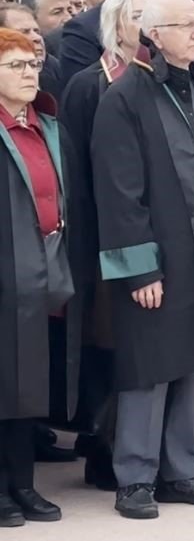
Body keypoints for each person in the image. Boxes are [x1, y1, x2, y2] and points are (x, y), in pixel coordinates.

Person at [93, 0, 194, 519]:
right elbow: (119, 191)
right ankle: (135, 478)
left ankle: (181, 470)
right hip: (159, 259)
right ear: (155, 36)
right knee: (151, 367)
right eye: (185, 25)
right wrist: (140, 267)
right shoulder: (126, 96)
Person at [58, 0, 155, 489]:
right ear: (116, 25)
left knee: (144, 347)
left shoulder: (164, 79)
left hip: (154, 235)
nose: (148, 25)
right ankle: (101, 448)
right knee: (106, 345)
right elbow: (74, 170)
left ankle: (140, 448)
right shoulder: (88, 84)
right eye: (139, 16)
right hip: (99, 240)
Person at [0, 27, 74, 525]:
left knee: (28, 383)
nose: (30, 73)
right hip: (7, 271)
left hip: (42, 269)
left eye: (32, 64)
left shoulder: (46, 125)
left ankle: (23, 485)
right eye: (15, 66)